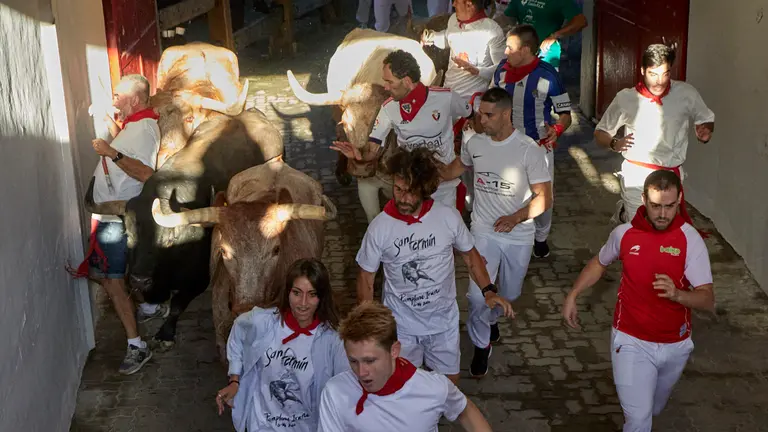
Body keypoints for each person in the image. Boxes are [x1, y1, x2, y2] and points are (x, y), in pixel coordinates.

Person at [562, 170, 715, 431]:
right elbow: (599, 263)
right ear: (643, 199)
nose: (663, 214)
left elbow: (708, 300)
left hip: (675, 345)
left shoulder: (691, 241)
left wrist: (678, 294)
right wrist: (573, 295)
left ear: (679, 201)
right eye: (656, 206)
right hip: (630, 340)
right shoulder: (624, 234)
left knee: (654, 408)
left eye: (669, 206)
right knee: (639, 419)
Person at [353, 147, 513, 384]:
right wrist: (369, 323)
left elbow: (470, 256)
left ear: (425, 190)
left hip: (444, 324)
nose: (402, 198)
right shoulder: (379, 227)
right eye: (398, 190)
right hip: (402, 328)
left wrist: (488, 290)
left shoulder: (447, 217)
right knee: (402, 386)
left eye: (410, 192)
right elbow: (366, 278)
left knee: (449, 385)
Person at [442, 88, 552, 376]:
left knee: (511, 293)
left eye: (489, 115)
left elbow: (544, 198)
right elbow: (457, 167)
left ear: (506, 115)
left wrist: (516, 217)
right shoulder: (475, 143)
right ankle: (481, 346)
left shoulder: (530, 150)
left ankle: (492, 319)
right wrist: (426, 171)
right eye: (480, 114)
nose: (483, 120)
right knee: (478, 295)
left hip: (518, 235)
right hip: (482, 231)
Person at [74, 74, 166, 375]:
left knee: (113, 280)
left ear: (135, 100)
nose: (114, 101)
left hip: (114, 219)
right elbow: (128, 147)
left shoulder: (145, 129)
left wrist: (111, 151)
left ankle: (137, 346)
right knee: (116, 276)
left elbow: (145, 173)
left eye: (117, 96)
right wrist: (109, 125)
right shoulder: (136, 125)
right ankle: (150, 307)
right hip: (109, 216)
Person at [216, 258, 349, 432]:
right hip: (262, 425)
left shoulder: (333, 339)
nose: (303, 303)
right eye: (297, 293)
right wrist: (235, 379)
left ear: (321, 297)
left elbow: (345, 387)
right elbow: (238, 334)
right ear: (287, 292)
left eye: (312, 294)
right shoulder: (263, 322)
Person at [331, 50, 473, 213]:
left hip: (443, 189)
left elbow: (475, 118)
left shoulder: (446, 97)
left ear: (406, 81)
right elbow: (373, 149)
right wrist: (358, 157)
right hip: (410, 190)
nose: (385, 87)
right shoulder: (388, 108)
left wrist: (466, 156)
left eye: (389, 82)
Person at [317, 302, 493, 431]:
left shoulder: (433, 388)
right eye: (353, 361)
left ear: (394, 350)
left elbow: (465, 410)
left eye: (370, 361)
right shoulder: (335, 392)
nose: (361, 373)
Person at [594, 44, 715, 225]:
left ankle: (624, 214)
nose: (659, 81)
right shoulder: (625, 98)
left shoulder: (686, 93)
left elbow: (705, 119)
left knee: (664, 227)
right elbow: (600, 132)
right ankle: (628, 215)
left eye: (665, 74)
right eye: (653, 74)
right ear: (642, 70)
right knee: (639, 229)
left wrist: (705, 131)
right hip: (637, 172)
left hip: (670, 174)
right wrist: (614, 143)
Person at [491, 24, 571, 258]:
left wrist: (556, 129)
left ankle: (541, 238)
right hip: (506, 146)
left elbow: (566, 114)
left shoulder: (549, 75)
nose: (505, 52)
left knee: (544, 198)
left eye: (509, 47)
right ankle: (509, 233)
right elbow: (491, 102)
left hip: (538, 147)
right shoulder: (501, 72)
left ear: (525, 50)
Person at [421, 0, 506, 102]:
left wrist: (477, 71)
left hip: (472, 101)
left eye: (456, 1)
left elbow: (502, 68)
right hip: (447, 93)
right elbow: (448, 38)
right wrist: (432, 37)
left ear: (469, 5)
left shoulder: (492, 30)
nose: (453, 4)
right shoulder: (453, 19)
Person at [503, 0, 587, 70]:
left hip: (545, 51)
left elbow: (580, 21)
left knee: (543, 85)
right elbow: (508, 16)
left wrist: (555, 35)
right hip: (521, 50)